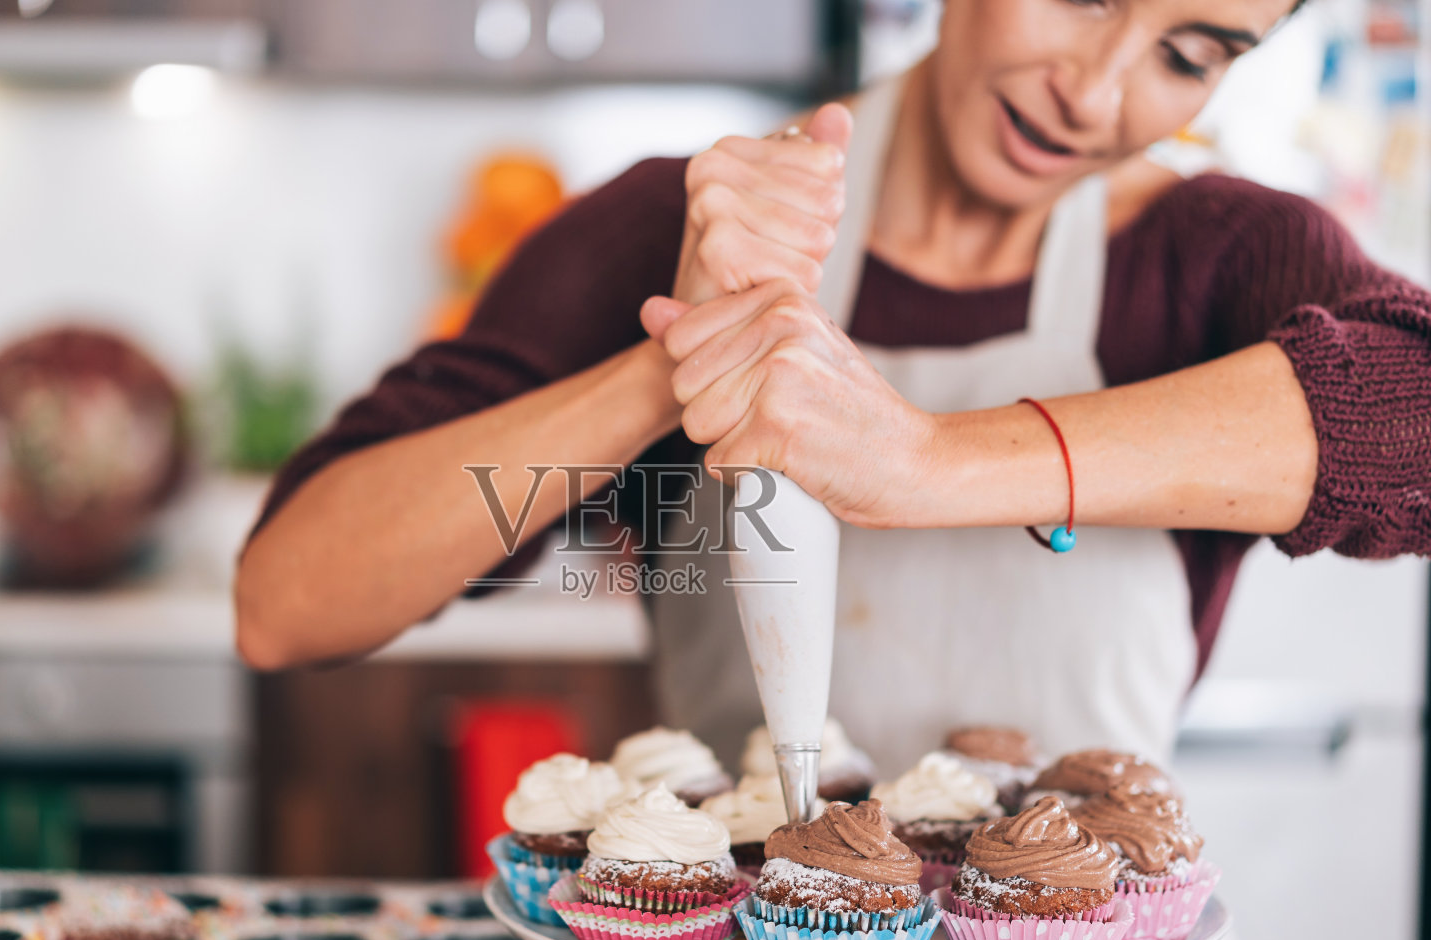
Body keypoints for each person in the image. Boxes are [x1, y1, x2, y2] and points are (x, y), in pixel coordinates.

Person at [235, 0, 1431, 770]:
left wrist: (927, 461)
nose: (1098, 96)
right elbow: (290, 599)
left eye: (1186, 54)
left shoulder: (1214, 255)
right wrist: (681, 357)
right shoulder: (669, 221)